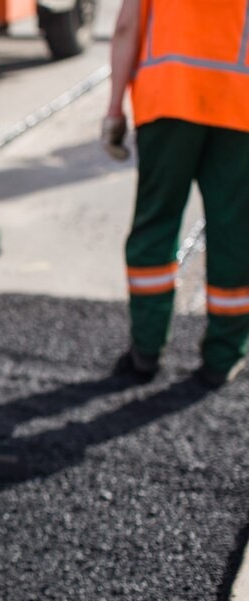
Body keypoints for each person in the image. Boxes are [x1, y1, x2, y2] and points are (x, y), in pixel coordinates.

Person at [103, 0, 249, 388]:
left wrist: (114, 109)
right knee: (235, 232)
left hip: (167, 100)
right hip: (240, 106)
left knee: (156, 225)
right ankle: (223, 356)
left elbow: (127, 28)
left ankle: (145, 352)